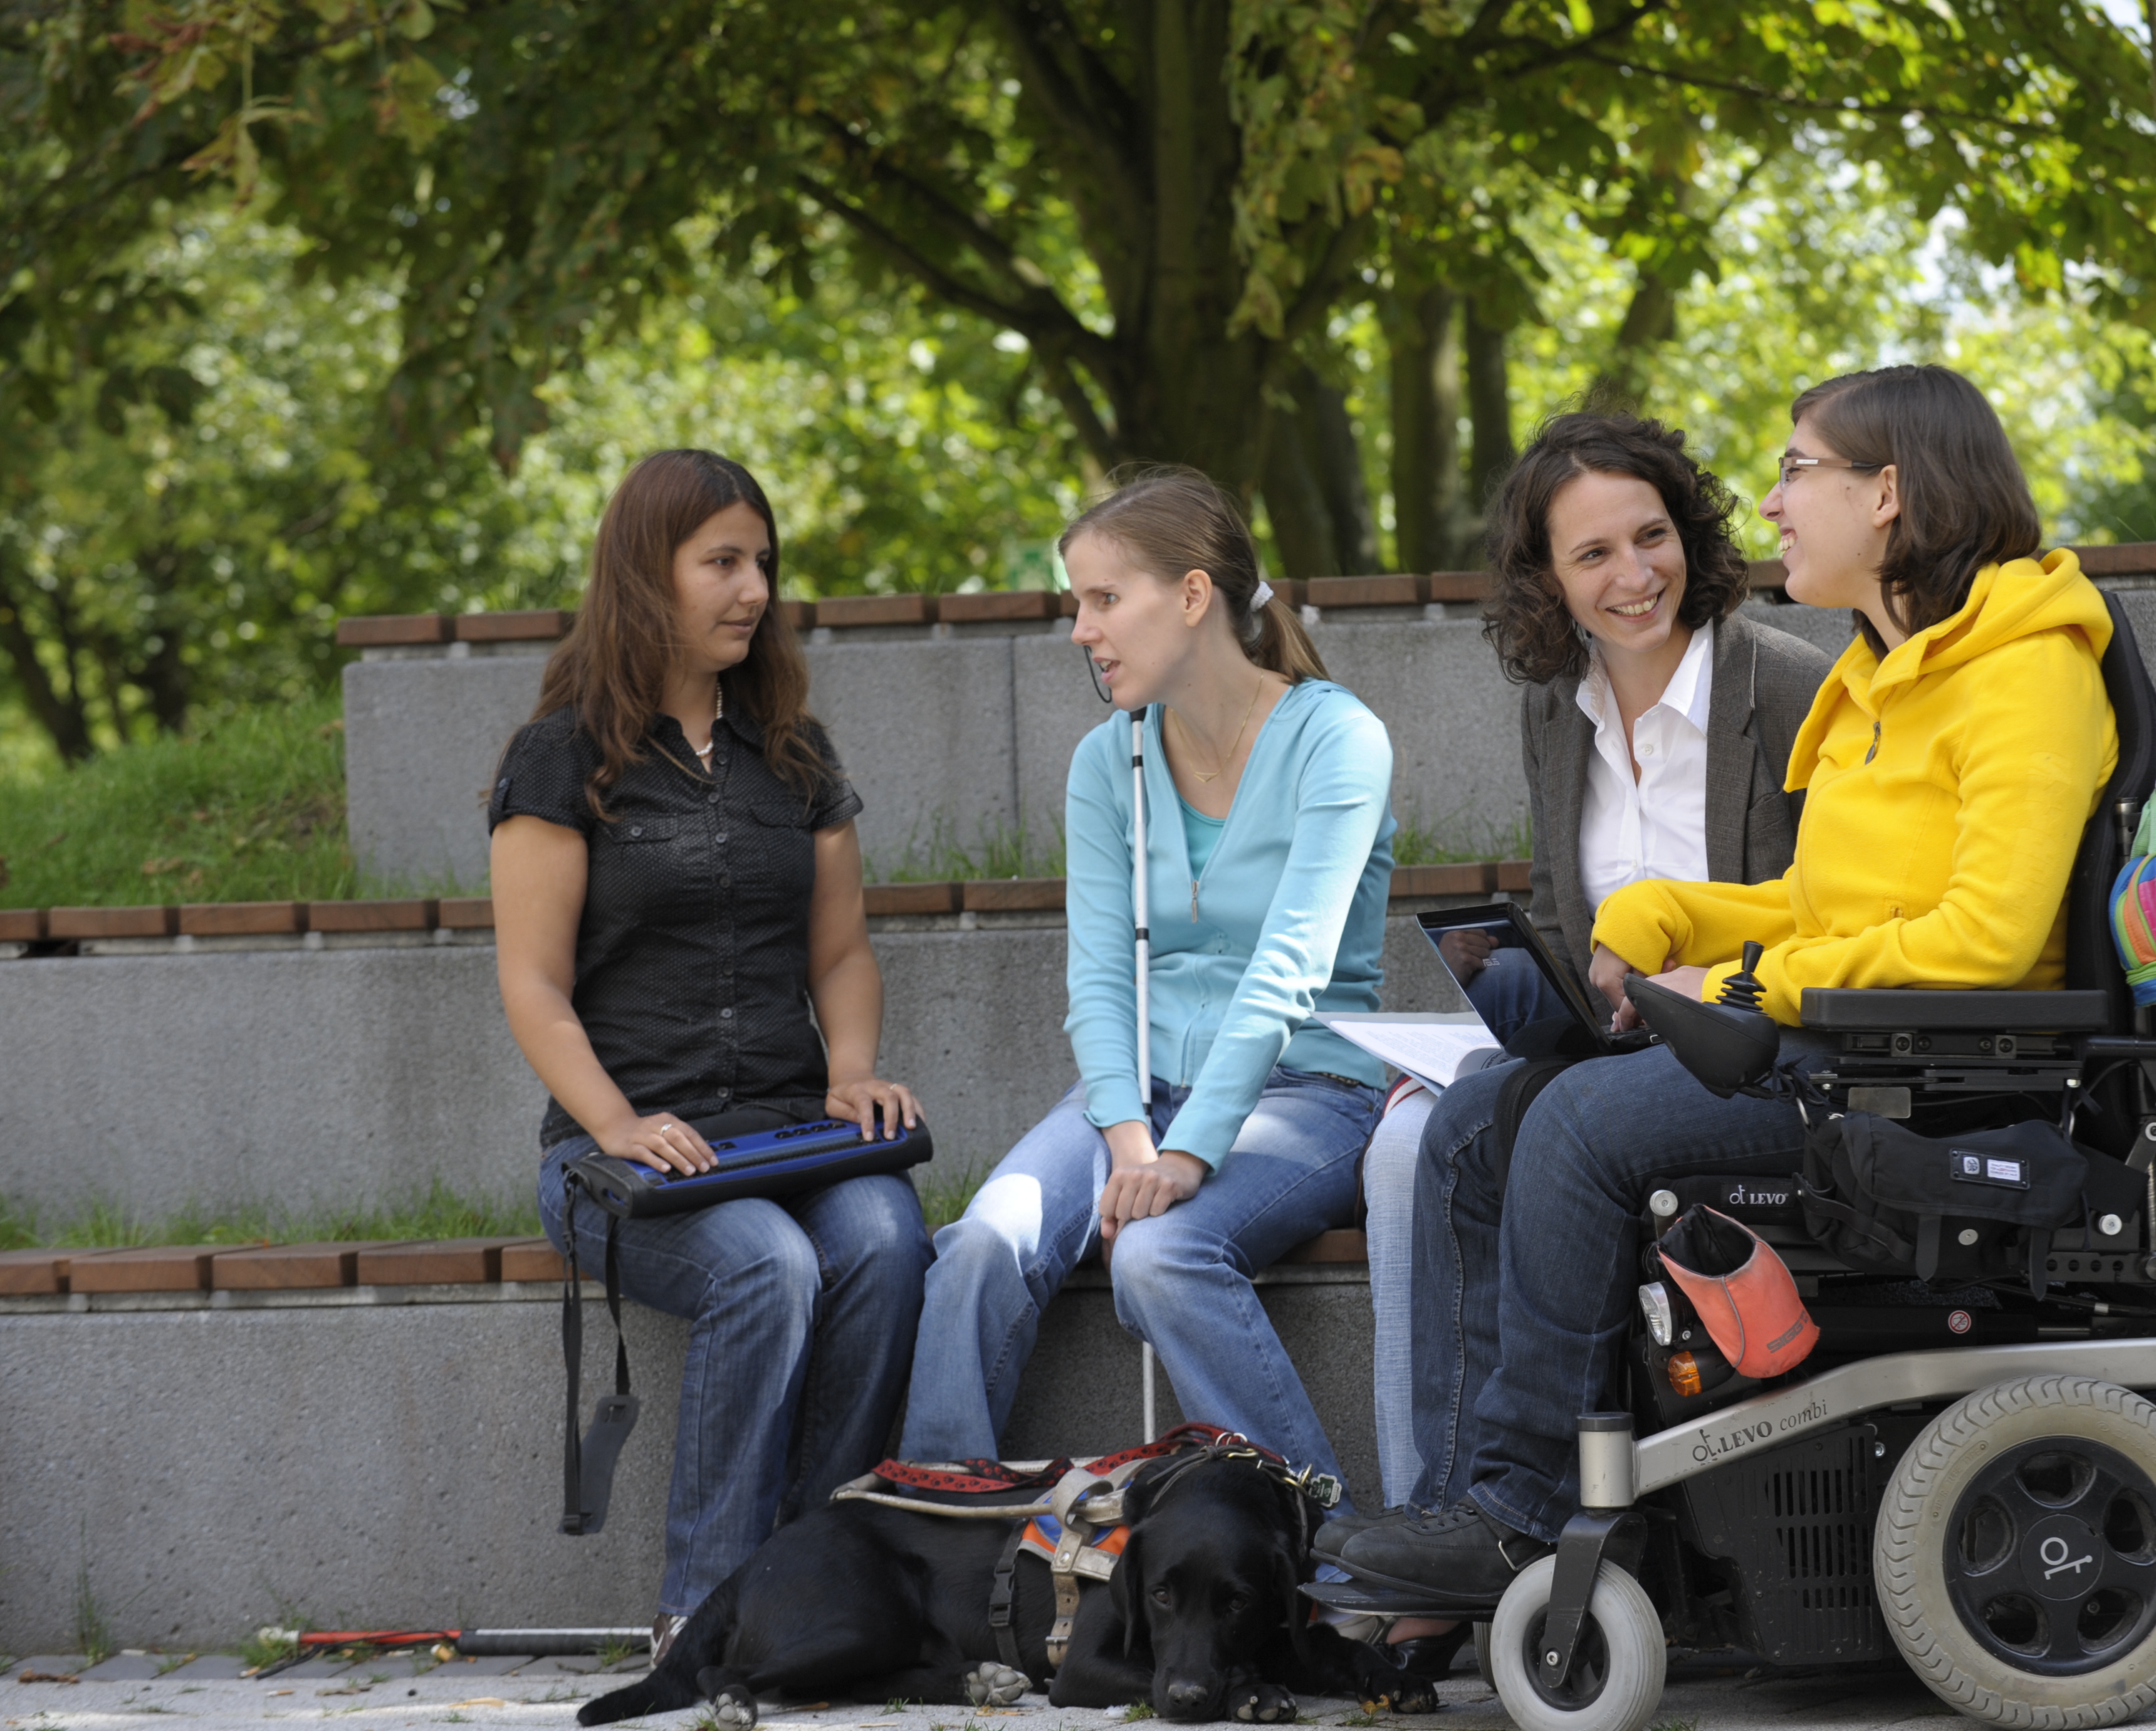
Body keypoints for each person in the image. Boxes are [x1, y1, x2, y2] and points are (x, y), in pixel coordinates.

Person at [1336, 363, 2120, 1605]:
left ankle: (1524, 1515)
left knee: (1580, 1124)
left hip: (1914, 1073)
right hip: (1840, 1040)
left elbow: (1986, 938)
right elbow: (1820, 900)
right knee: (1487, 1117)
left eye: (1797, 470)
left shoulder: (2024, 670)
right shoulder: (1887, 673)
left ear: (1888, 495)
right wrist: (1661, 916)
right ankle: (1481, 1498)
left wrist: (1758, 986)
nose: (1770, 505)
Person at [489, 449, 932, 1664]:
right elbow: (531, 981)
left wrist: (851, 1069)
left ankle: (816, 1576)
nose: (752, 588)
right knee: (769, 1268)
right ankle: (706, 1613)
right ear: (648, 574)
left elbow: (840, 955)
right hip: (621, 1154)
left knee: (890, 1238)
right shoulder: (562, 757)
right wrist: (615, 1124)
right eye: (722, 562)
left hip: (783, 1129)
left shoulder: (794, 751)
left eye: (762, 563)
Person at [1353, 412, 1828, 1517]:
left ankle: (1504, 1510)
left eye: (1652, 537)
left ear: (1693, 537)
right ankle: (1441, 1499)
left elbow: (1834, 911)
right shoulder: (1553, 715)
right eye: (1595, 555)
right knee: (1422, 1127)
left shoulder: (1790, 691)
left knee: (1477, 1131)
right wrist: (1504, 1011)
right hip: (1612, 1052)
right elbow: (1565, 927)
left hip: (1752, 1046)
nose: (1635, 575)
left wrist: (1711, 982)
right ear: (1548, 582)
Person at [897, 468, 1394, 1492]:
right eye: (1078, 603)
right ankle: (937, 1543)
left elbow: (1291, 967)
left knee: (1159, 1257)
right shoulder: (1105, 760)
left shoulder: (1337, 739)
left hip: (1305, 1093)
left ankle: (1325, 1546)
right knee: (981, 1246)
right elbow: (1097, 976)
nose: (1082, 629)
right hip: (1133, 1096)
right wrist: (1131, 1139)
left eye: (1105, 599)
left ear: (1195, 596)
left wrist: (1189, 1154)